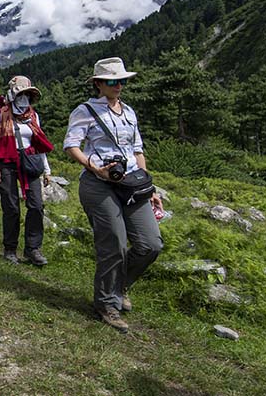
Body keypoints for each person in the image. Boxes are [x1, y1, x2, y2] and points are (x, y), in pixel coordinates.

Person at [64, 57, 164, 333]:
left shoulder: (129, 112)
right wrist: (95, 168)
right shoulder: (85, 110)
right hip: (98, 185)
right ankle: (107, 304)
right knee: (115, 243)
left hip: (131, 183)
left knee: (150, 244)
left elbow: (138, 150)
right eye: (112, 81)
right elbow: (71, 145)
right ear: (98, 84)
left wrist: (150, 187)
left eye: (121, 80)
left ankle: (119, 286)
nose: (118, 85)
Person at [0, 76, 53, 266]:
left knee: (36, 205)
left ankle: (33, 248)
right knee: (11, 207)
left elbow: (38, 142)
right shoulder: (1, 114)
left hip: (30, 161)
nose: (24, 98)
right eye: (21, 94)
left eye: (27, 95)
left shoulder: (33, 116)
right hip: (6, 162)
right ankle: (10, 248)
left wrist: (47, 170)